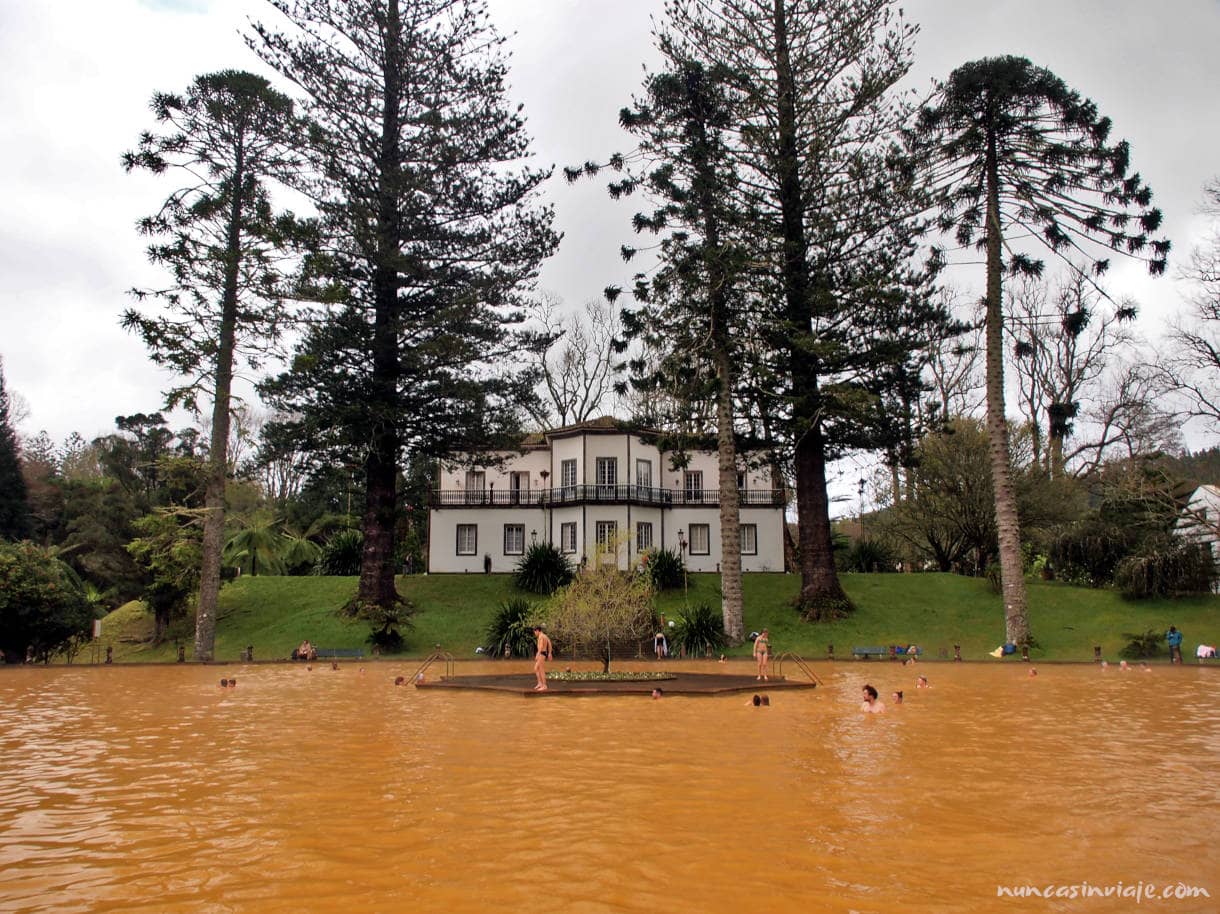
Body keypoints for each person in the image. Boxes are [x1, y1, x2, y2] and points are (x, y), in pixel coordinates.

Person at [532, 625, 553, 691]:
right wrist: (549, 653)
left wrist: (537, 654)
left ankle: (544, 685)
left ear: (537, 631)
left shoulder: (541, 637)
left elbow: (541, 647)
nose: (535, 634)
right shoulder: (545, 636)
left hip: (541, 654)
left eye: (535, 632)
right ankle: (540, 683)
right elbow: (549, 644)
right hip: (543, 653)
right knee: (536, 668)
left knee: (541, 669)